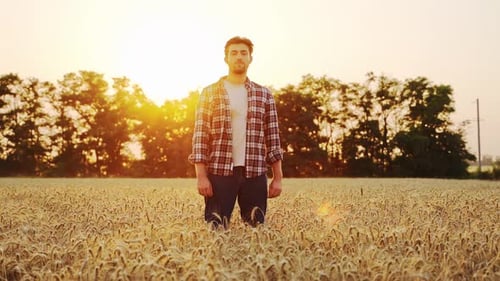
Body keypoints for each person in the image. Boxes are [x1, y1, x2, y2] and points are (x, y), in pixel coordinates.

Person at [188, 36, 284, 229]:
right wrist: (201, 175)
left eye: (243, 53)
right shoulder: (209, 93)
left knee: (256, 229)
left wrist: (278, 178)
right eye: (234, 53)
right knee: (215, 228)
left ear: (250, 58)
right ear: (226, 59)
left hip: (255, 172)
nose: (239, 57)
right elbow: (200, 135)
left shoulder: (264, 94)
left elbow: (273, 137)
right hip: (219, 171)